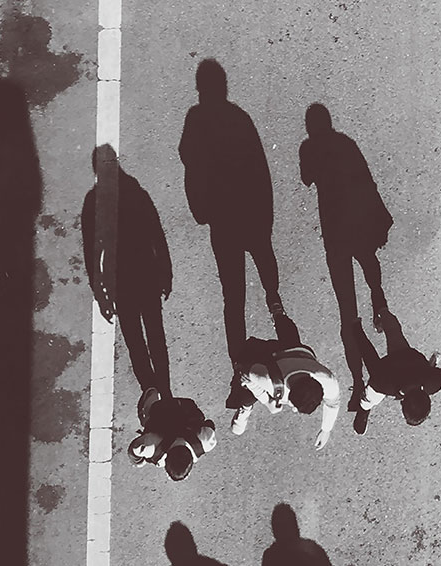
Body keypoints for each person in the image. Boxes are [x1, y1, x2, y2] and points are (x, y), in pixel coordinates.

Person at [178, 59, 288, 369]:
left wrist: (200, 208)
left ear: (201, 88)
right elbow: (259, 166)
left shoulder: (196, 118)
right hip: (251, 211)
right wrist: (266, 216)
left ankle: (240, 361)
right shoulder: (239, 117)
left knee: (233, 292)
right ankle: (273, 296)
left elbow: (188, 157)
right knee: (263, 256)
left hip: (223, 217)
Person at [298, 103, 394, 409]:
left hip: (335, 232)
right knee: (368, 261)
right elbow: (368, 180)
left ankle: (357, 381)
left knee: (347, 312)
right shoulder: (346, 143)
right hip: (358, 221)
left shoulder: (309, 148)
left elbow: (307, 179)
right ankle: (379, 299)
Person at [81, 144, 173, 397]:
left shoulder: (93, 202)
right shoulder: (136, 192)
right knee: (156, 337)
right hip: (147, 275)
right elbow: (157, 235)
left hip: (120, 281)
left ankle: (151, 392)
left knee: (136, 342)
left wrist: (100, 293)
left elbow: (92, 253)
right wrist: (166, 272)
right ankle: (165, 391)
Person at [226, 311, 340, 450]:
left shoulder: (327, 380)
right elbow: (246, 374)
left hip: (296, 352)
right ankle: (246, 406)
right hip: (266, 359)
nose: (293, 410)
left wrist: (326, 430)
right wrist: (267, 402)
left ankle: (277, 311)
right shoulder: (267, 379)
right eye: (294, 406)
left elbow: (333, 403)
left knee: (290, 335)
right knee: (247, 388)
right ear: (289, 391)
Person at [351, 314, 441, 434]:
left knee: (393, 329)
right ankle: (364, 410)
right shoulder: (385, 384)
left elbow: (436, 372)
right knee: (369, 399)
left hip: (407, 355)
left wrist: (429, 365)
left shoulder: (433, 383)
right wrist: (357, 330)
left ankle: (382, 312)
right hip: (389, 367)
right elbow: (370, 357)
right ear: (402, 403)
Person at [127, 388, 216, 480]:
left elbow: (210, 424)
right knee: (146, 420)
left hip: (185, 404)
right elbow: (133, 450)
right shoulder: (152, 447)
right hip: (160, 407)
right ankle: (151, 391)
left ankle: (153, 393)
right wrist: (138, 462)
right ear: (166, 460)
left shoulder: (205, 443)